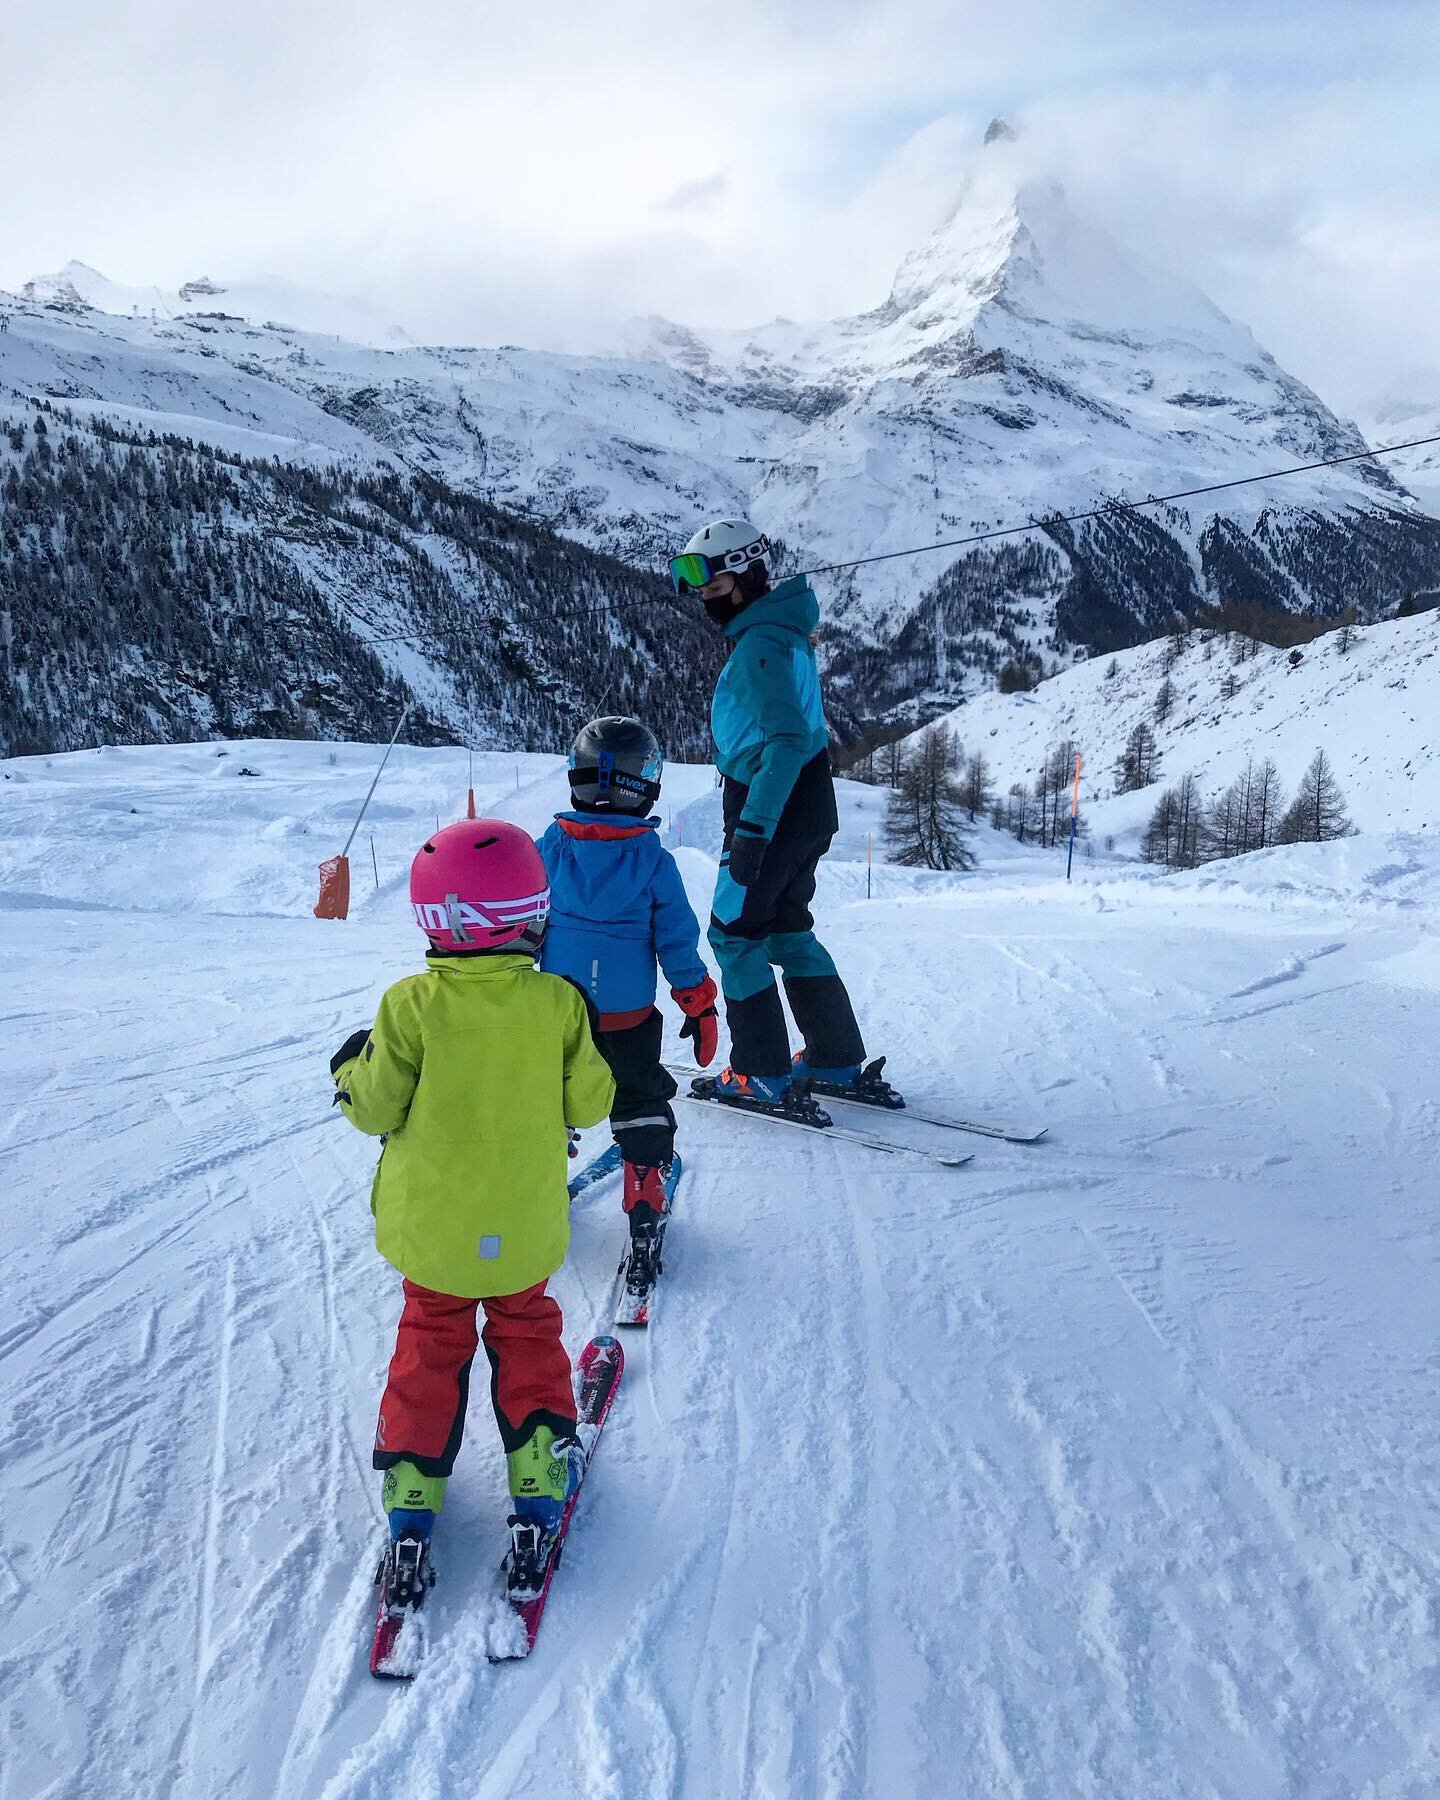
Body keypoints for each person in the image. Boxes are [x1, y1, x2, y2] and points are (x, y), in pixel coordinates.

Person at [330, 818, 614, 1600]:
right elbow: (591, 1099)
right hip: (521, 1231)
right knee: (526, 1336)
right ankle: (539, 1480)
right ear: (530, 915)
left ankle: (412, 1499)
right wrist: (579, 1045)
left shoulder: (409, 1006)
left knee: (429, 1345)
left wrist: (351, 1070)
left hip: (435, 1237)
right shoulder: (556, 1003)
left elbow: (375, 1106)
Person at [669, 519, 867, 1107]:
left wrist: (752, 828)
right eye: (688, 578)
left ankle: (759, 1071)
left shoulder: (759, 646)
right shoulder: (783, 632)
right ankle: (832, 1058)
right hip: (807, 802)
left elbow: (782, 738)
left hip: (771, 806)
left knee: (733, 934)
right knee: (786, 929)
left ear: (746, 571)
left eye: (706, 577)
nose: (697, 591)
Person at [536, 716, 718, 1282]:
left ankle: (533, 1173)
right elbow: (677, 943)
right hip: (629, 1018)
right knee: (637, 1094)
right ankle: (644, 1188)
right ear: (649, 787)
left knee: (546, 1095)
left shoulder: (549, 851)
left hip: (555, 1016)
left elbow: (522, 923)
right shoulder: (654, 863)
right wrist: (699, 1004)